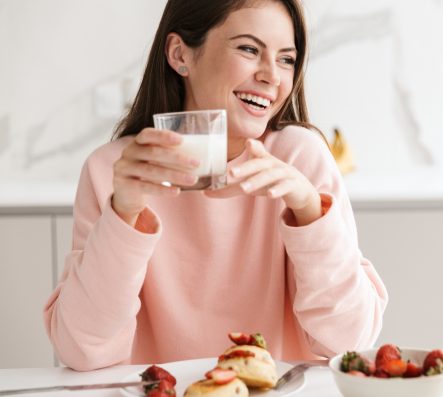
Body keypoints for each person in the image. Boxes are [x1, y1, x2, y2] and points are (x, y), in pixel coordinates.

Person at [44, 0, 388, 371]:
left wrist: (308, 211)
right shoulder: (110, 170)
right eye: (249, 49)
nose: (272, 75)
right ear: (180, 55)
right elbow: (82, 351)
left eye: (286, 59)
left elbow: (349, 342)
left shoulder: (301, 158)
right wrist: (123, 215)